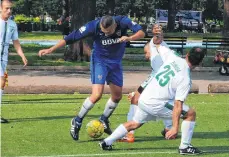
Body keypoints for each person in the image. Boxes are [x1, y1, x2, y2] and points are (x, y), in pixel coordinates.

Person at [38, 15, 145, 141]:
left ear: (114, 25)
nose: (106, 34)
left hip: (115, 62)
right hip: (100, 61)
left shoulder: (123, 21)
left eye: (109, 32)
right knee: (97, 94)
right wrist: (51, 49)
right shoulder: (93, 25)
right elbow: (71, 37)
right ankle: (77, 120)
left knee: (117, 96)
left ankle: (104, 119)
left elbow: (142, 32)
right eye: (103, 32)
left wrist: (130, 38)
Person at [99, 45, 206, 155]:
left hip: (144, 98)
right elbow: (177, 105)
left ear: (187, 54)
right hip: (156, 103)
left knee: (134, 123)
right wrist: (174, 127)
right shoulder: (185, 78)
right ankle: (184, 147)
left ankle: (106, 142)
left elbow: (159, 45)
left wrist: (157, 37)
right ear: (200, 63)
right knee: (190, 114)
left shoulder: (174, 56)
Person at [119, 23, 175, 143]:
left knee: (135, 99)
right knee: (166, 103)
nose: (146, 56)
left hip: (157, 77)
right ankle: (169, 130)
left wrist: (157, 33)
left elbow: (157, 39)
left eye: (146, 52)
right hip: (169, 80)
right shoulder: (164, 50)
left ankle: (130, 134)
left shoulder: (155, 44)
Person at [0, 0, 28, 123]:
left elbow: (15, 41)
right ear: (0, 8)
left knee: (2, 83)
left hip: (3, 58)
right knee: (1, 82)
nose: (9, 11)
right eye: (6, 8)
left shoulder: (12, 24)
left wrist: (22, 55)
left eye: (10, 8)